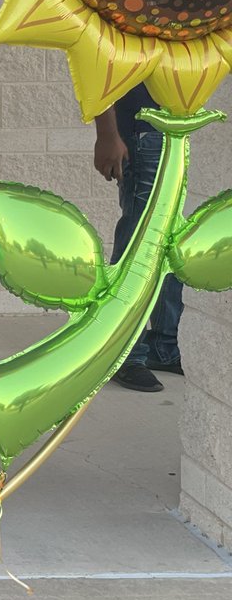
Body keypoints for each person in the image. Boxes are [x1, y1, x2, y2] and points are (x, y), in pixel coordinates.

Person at [93, 83, 184, 393]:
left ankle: (164, 347)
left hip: (177, 129)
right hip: (142, 131)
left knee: (171, 242)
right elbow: (99, 66)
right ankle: (124, 353)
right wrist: (107, 133)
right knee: (139, 248)